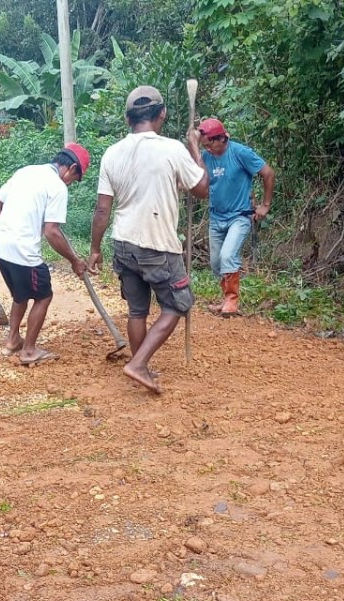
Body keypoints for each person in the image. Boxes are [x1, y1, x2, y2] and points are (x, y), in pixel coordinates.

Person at [87, 85, 208, 394]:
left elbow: (102, 209)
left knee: (137, 311)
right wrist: (195, 147)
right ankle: (138, 364)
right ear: (162, 114)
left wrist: (95, 249)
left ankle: (141, 365)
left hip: (123, 243)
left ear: (127, 118)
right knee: (178, 304)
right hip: (158, 244)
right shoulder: (173, 149)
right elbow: (202, 188)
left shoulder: (112, 153)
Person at [0, 144, 91, 366]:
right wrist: (74, 261)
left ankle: (12, 341)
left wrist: (6, 230)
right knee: (43, 296)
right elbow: (51, 232)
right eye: (75, 179)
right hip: (23, 252)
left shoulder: (27, 171)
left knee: (21, 294)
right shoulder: (57, 187)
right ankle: (28, 351)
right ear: (72, 168)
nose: (71, 183)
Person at [187, 117, 275, 316]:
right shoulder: (206, 157)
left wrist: (265, 205)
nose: (208, 149)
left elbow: (268, 173)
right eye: (204, 146)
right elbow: (199, 180)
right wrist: (194, 145)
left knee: (228, 256)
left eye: (209, 145)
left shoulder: (240, 153)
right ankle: (225, 298)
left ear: (221, 139)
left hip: (239, 216)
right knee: (216, 263)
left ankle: (231, 300)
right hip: (216, 217)